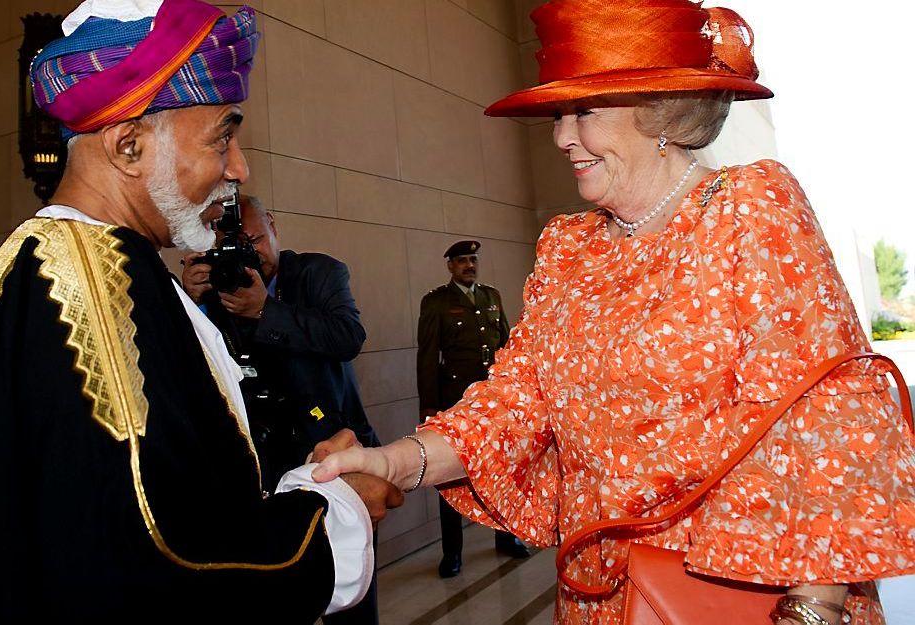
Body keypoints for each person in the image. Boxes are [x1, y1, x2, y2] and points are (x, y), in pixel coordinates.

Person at [312, 1, 915, 623]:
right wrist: (396, 462)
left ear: (659, 111)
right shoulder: (568, 247)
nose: (561, 136)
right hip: (602, 599)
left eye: (584, 112)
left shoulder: (749, 208)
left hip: (749, 597)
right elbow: (518, 403)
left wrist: (813, 611)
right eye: (558, 114)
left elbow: (827, 419)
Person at [0, 0, 401, 620]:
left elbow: (149, 494)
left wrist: (297, 486)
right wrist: (336, 515)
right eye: (223, 136)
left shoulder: (60, 264)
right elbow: (155, 557)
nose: (239, 167)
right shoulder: (91, 288)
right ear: (128, 146)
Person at [181, 195, 382, 624]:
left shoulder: (320, 272)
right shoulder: (216, 289)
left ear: (273, 226)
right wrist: (188, 305)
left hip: (334, 453)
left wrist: (264, 311)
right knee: (278, 596)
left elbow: (348, 336)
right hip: (262, 469)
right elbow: (191, 371)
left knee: (352, 595)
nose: (250, 256)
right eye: (236, 248)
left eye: (255, 239)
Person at [417, 240, 530, 577]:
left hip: (493, 400)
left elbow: (508, 345)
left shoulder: (491, 297)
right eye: (463, 260)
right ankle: (452, 552)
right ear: (450, 266)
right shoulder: (436, 302)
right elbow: (427, 357)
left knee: (502, 469)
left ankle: (506, 537)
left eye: (473, 259)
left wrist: (515, 391)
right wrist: (429, 407)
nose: (470, 265)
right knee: (449, 474)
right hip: (457, 401)